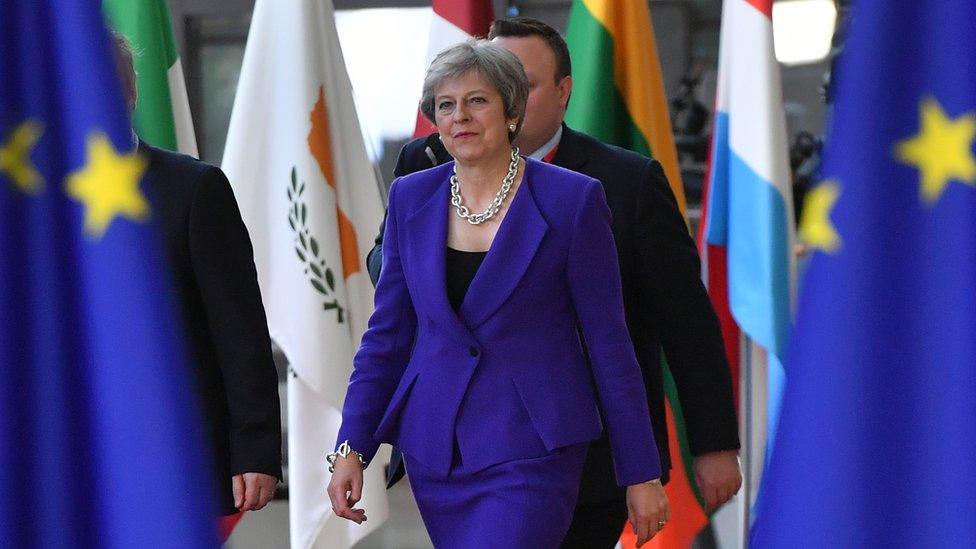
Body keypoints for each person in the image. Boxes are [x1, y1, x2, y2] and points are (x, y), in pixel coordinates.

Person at [368, 17, 742, 548]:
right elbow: (387, 282)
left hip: (588, 455)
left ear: (558, 93)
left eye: (511, 83)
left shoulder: (624, 183)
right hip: (454, 447)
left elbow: (684, 322)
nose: (470, 111)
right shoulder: (422, 165)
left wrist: (713, 442)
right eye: (459, 98)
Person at [327, 41, 670, 548]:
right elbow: (388, 337)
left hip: (531, 450)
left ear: (511, 111)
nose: (460, 116)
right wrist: (351, 447)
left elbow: (609, 344)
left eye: (477, 101)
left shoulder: (573, 200)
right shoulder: (410, 197)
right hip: (437, 449)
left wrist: (640, 472)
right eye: (446, 105)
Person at [111, 31, 282, 516]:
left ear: (132, 90)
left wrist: (254, 447)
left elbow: (239, 330)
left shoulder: (194, 188)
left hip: (172, 449)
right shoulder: (31, 197)